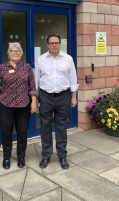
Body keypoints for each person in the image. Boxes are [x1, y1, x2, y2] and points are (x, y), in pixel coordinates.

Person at [34, 34, 78, 169]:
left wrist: (74, 97)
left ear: (60, 44)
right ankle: (46, 156)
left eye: (56, 43)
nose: (54, 45)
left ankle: (62, 156)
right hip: (46, 97)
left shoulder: (68, 59)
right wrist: (34, 100)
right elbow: (35, 82)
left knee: (61, 127)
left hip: (63, 96)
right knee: (45, 127)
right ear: (47, 45)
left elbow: (73, 79)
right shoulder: (40, 60)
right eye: (51, 43)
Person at [0, 42, 37, 169]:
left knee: (22, 132)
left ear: (21, 53)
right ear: (8, 54)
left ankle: (21, 157)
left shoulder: (27, 67)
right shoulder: (2, 68)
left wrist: (33, 102)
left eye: (17, 50)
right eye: (12, 50)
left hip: (23, 105)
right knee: (6, 132)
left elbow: (32, 86)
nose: (15, 52)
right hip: (5, 104)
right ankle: (6, 158)